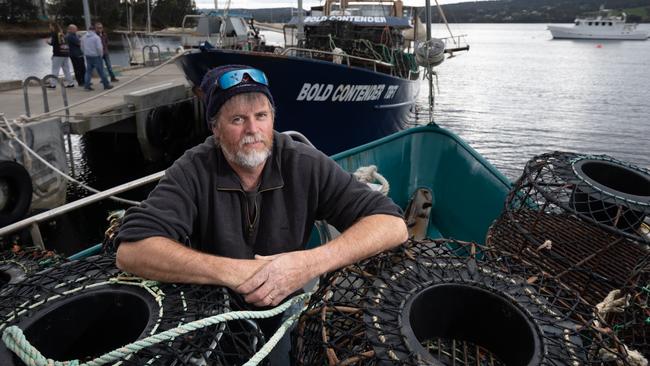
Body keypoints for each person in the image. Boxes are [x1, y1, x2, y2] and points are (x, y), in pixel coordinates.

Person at [114, 65, 408, 363]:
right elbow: (133, 250)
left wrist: (308, 264)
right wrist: (234, 272)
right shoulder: (193, 170)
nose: (252, 130)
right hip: (213, 313)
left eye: (261, 116)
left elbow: (392, 224)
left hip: (286, 306)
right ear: (215, 128)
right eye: (238, 119)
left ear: (273, 120)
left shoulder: (303, 163)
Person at [81, 25, 113, 91]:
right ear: (94, 30)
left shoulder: (83, 37)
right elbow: (99, 48)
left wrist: (85, 53)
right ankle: (106, 85)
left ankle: (86, 86)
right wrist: (100, 55)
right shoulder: (96, 37)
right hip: (96, 56)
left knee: (88, 71)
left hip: (88, 56)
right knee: (101, 71)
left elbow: (82, 47)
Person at [45, 22, 75, 88]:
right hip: (65, 53)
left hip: (58, 54)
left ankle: (53, 84)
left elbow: (54, 43)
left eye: (50, 26)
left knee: (55, 69)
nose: (50, 27)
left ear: (53, 27)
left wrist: (48, 42)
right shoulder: (61, 34)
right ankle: (71, 83)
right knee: (66, 69)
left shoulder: (54, 34)